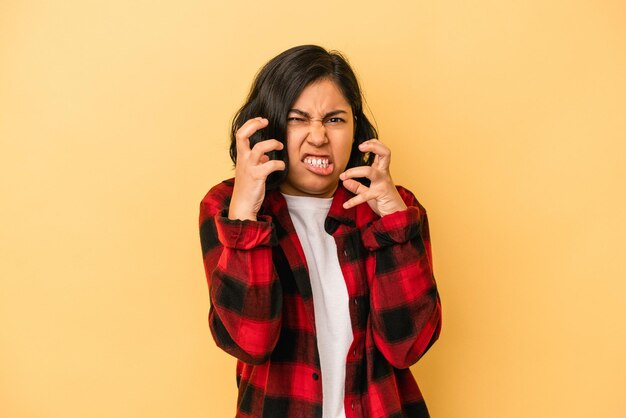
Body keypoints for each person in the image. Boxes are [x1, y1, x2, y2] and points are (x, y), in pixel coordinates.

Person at [199, 45, 442, 418]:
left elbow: (407, 347)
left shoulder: (395, 207)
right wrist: (245, 216)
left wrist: (393, 222)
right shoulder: (226, 207)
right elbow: (249, 341)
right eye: (298, 119)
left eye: (334, 119)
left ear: (355, 128)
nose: (317, 137)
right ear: (271, 126)